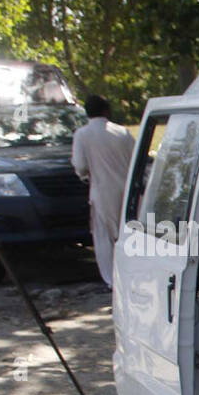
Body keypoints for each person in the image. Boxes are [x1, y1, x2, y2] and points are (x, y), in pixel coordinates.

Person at [71, 95, 135, 287]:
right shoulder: (123, 132)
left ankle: (112, 281)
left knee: (104, 238)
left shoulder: (82, 134)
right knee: (129, 233)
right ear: (106, 111)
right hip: (128, 190)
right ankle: (132, 274)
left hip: (102, 191)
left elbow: (80, 166)